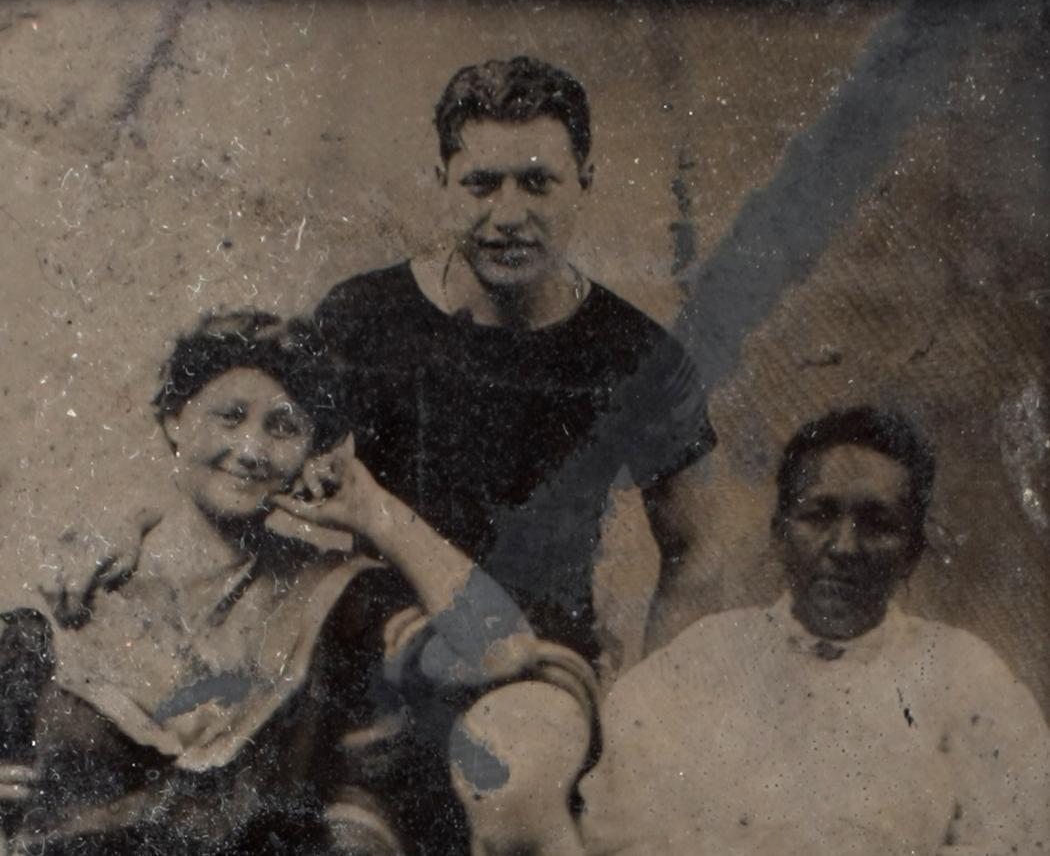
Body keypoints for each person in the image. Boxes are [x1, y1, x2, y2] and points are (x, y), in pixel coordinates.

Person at [3, 313, 597, 856]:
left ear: (312, 450)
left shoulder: (334, 597)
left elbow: (503, 650)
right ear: (175, 419)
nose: (251, 450)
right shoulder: (78, 583)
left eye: (284, 428)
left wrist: (375, 513)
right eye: (229, 416)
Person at [314, 56, 716, 665]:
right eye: (481, 184)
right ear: (442, 182)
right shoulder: (361, 316)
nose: (507, 216)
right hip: (382, 668)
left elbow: (695, 550)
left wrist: (648, 696)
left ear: (584, 180)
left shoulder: (636, 353)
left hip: (544, 682)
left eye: (537, 183)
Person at [579, 407, 1050, 856]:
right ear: (780, 533)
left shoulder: (965, 677)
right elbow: (619, 831)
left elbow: (1025, 836)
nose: (845, 547)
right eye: (819, 516)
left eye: (878, 524)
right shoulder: (698, 663)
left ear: (912, 551)